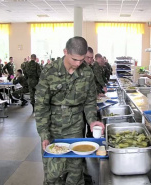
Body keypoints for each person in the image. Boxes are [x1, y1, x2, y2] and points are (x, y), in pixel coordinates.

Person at [35, 36, 104, 185]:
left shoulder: (87, 73)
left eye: (82, 59)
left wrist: (92, 121)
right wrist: (44, 134)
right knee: (53, 174)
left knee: (75, 171)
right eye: (74, 59)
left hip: (75, 127)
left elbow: (90, 102)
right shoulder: (49, 71)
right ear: (65, 51)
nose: (78, 64)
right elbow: (41, 104)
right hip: (53, 127)